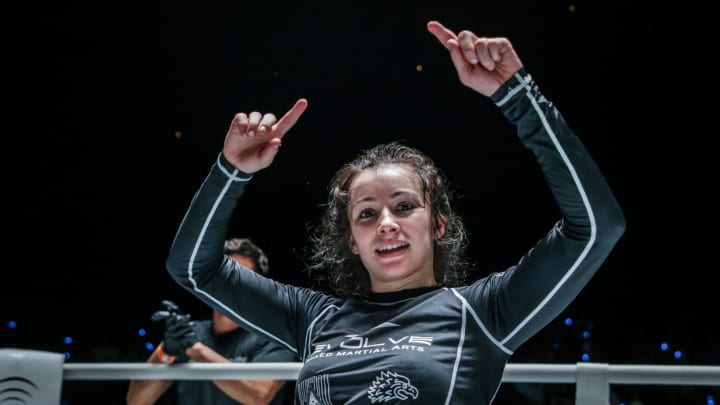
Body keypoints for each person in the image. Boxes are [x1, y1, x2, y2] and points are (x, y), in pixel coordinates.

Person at [165, 20, 626, 405]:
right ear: (352, 239)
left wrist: (519, 97)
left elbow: (596, 229)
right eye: (366, 214)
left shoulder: (482, 312)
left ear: (438, 224)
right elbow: (193, 269)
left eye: (405, 206)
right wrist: (231, 171)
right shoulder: (313, 317)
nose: (386, 223)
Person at [127, 238, 296, 405]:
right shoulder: (189, 332)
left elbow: (260, 395)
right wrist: (166, 351)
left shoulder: (275, 337)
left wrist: (198, 351)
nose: (230, 287)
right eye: (223, 277)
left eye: (242, 280)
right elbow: (136, 400)